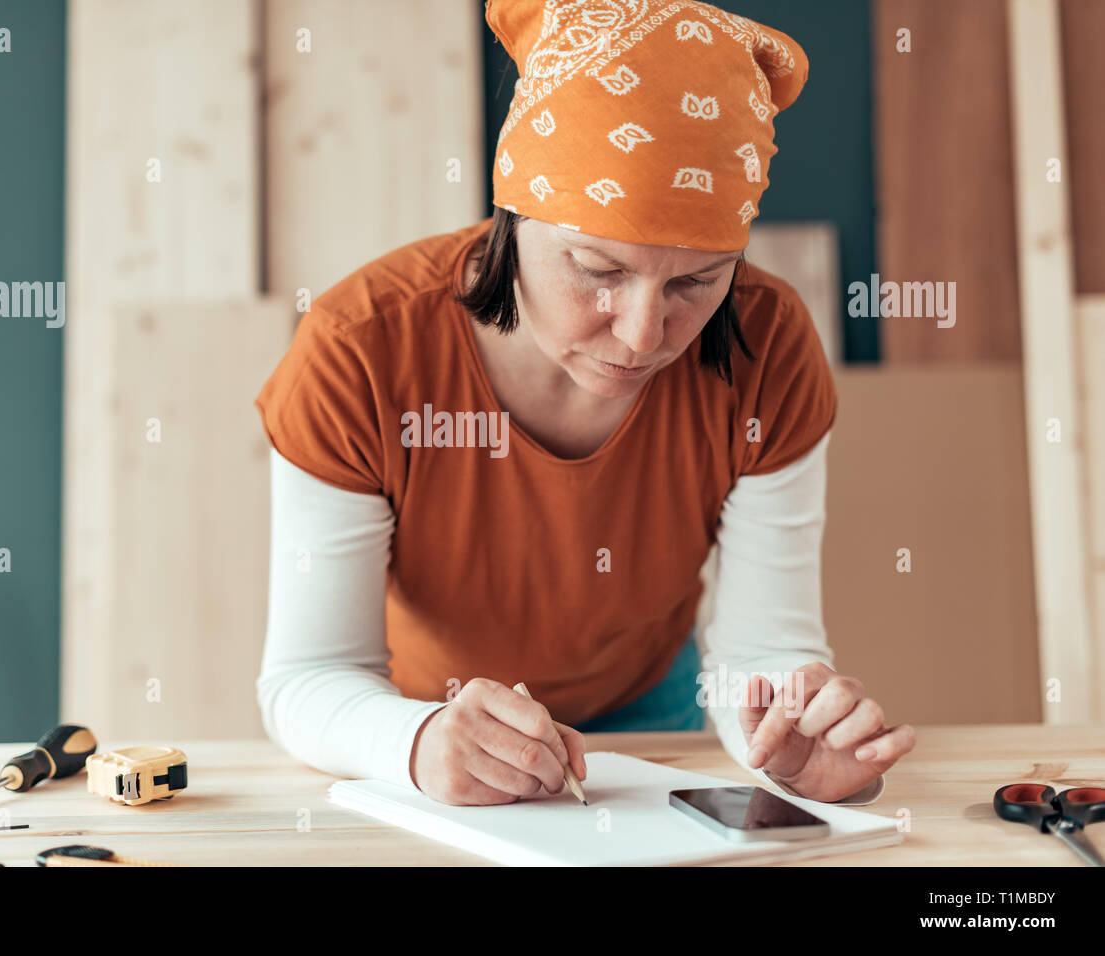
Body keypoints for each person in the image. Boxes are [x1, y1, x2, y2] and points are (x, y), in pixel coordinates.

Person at [255, 0, 914, 808]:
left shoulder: (765, 346)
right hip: (416, 723)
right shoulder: (359, 349)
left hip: (650, 716)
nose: (643, 335)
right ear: (514, 216)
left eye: (695, 282)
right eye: (597, 270)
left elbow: (762, 645)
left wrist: (783, 739)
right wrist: (417, 742)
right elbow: (311, 676)